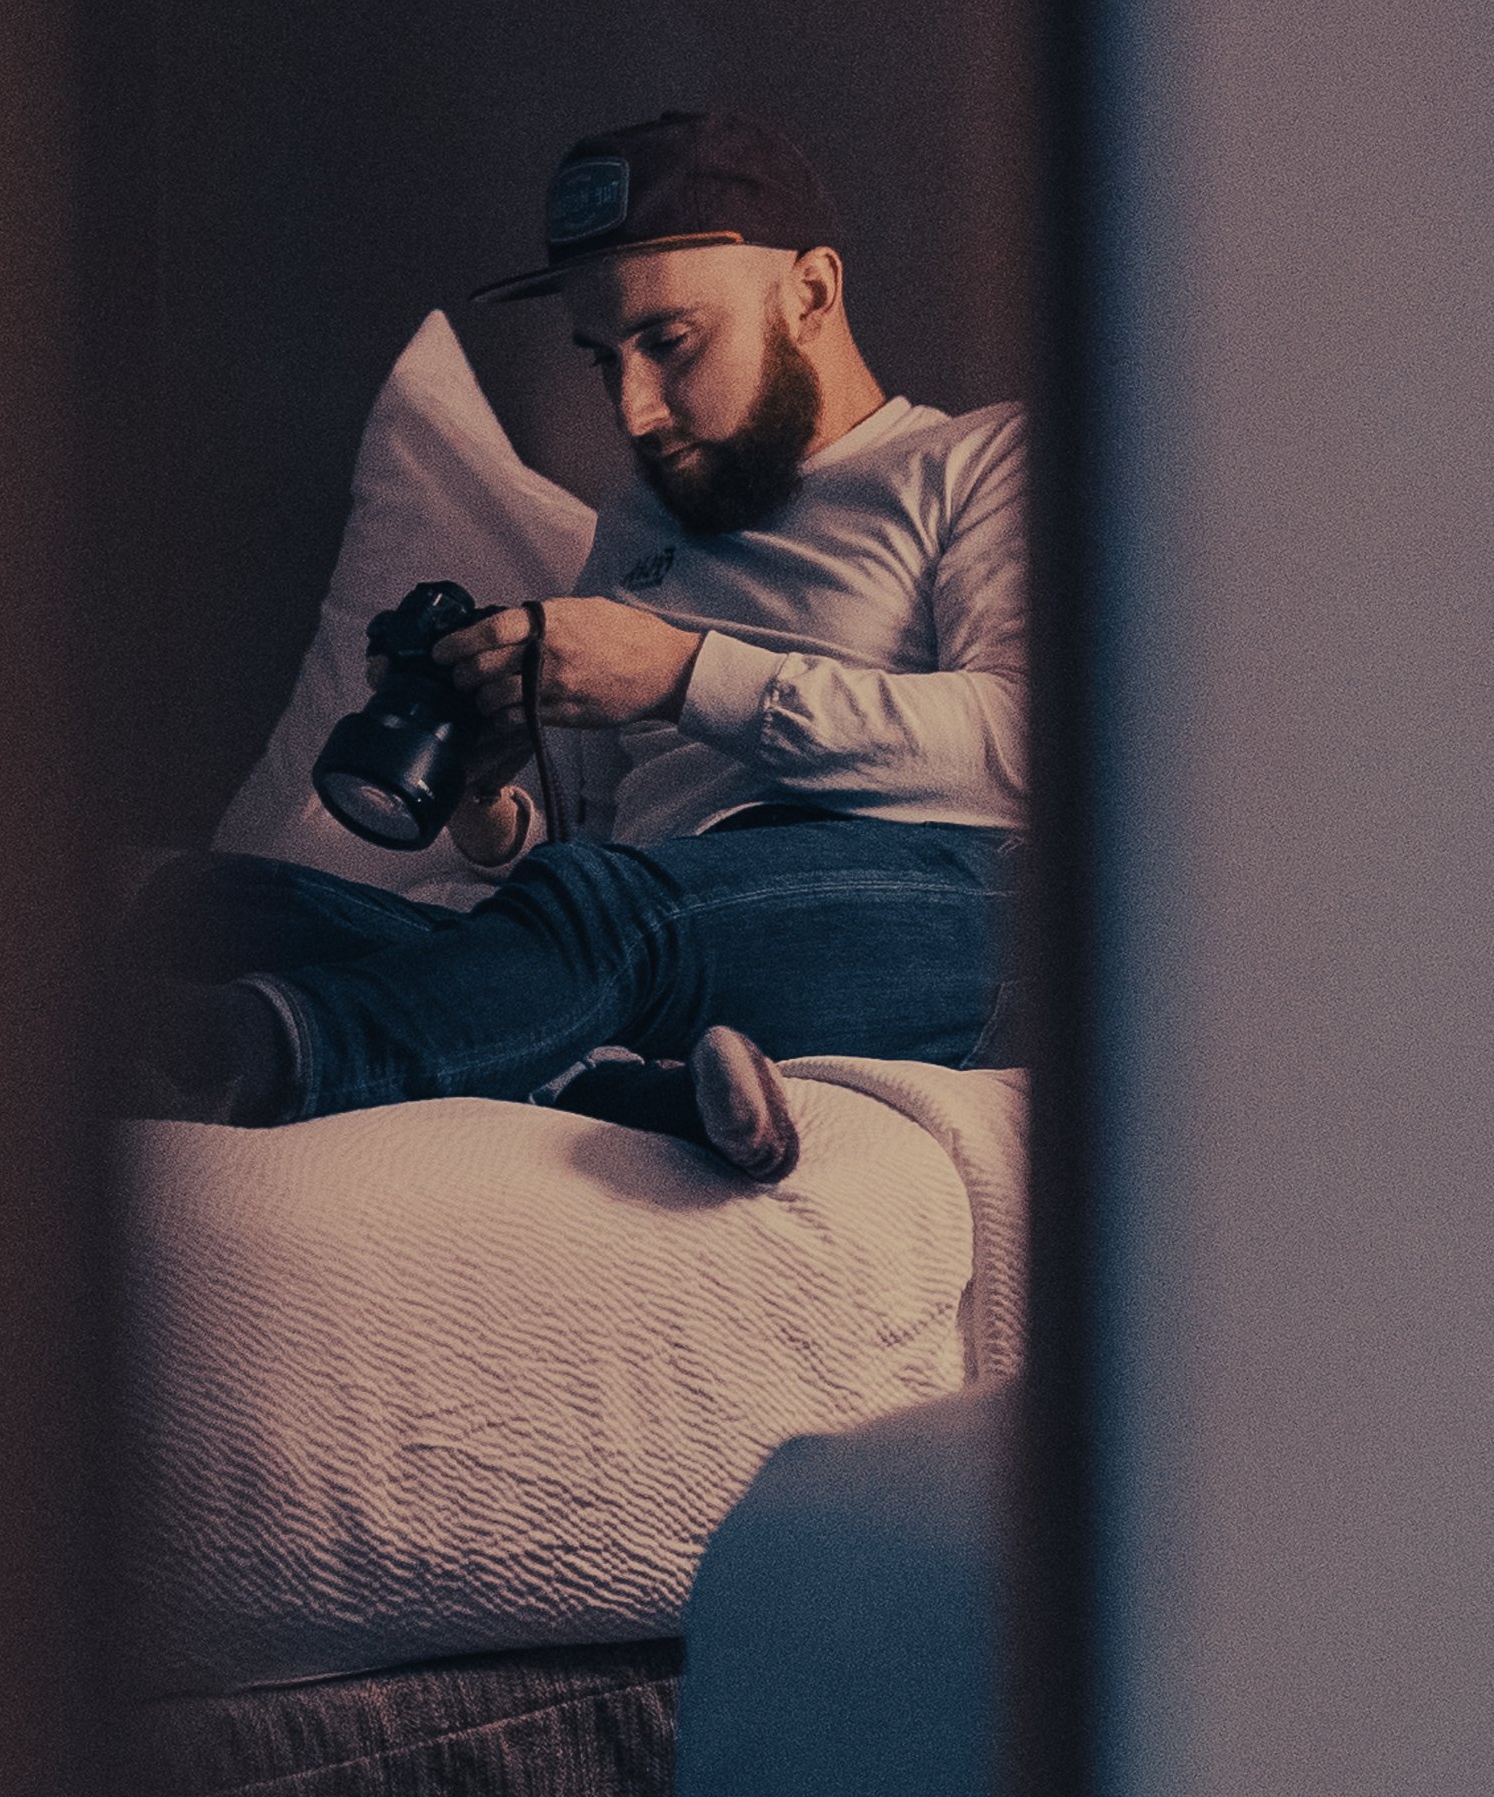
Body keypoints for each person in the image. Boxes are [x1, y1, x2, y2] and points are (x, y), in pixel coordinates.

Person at [124, 106, 1024, 1155]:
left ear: (811, 289)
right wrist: (488, 803)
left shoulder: (973, 460)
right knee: (219, 900)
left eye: (668, 342)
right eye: (604, 358)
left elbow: (1015, 747)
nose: (634, 410)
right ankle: (601, 1080)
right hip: (663, 912)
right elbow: (594, 841)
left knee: (606, 910)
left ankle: (226, 1060)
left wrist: (683, 673)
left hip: (938, 905)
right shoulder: (638, 527)